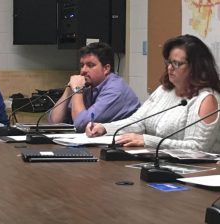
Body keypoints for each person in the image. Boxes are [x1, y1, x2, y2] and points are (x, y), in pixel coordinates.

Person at [86, 34, 220, 153]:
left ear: (196, 66)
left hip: (197, 172)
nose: (169, 68)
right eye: (168, 62)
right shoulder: (164, 90)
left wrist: (147, 141)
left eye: (177, 64)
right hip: (160, 163)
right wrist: (104, 128)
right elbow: (138, 122)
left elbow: (197, 148)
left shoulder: (206, 99)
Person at [49, 42, 140, 132]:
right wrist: (68, 89)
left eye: (90, 65)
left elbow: (81, 125)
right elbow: (54, 122)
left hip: (126, 144)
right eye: (82, 65)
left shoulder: (115, 90)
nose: (83, 70)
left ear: (106, 69)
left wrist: (77, 90)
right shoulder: (89, 87)